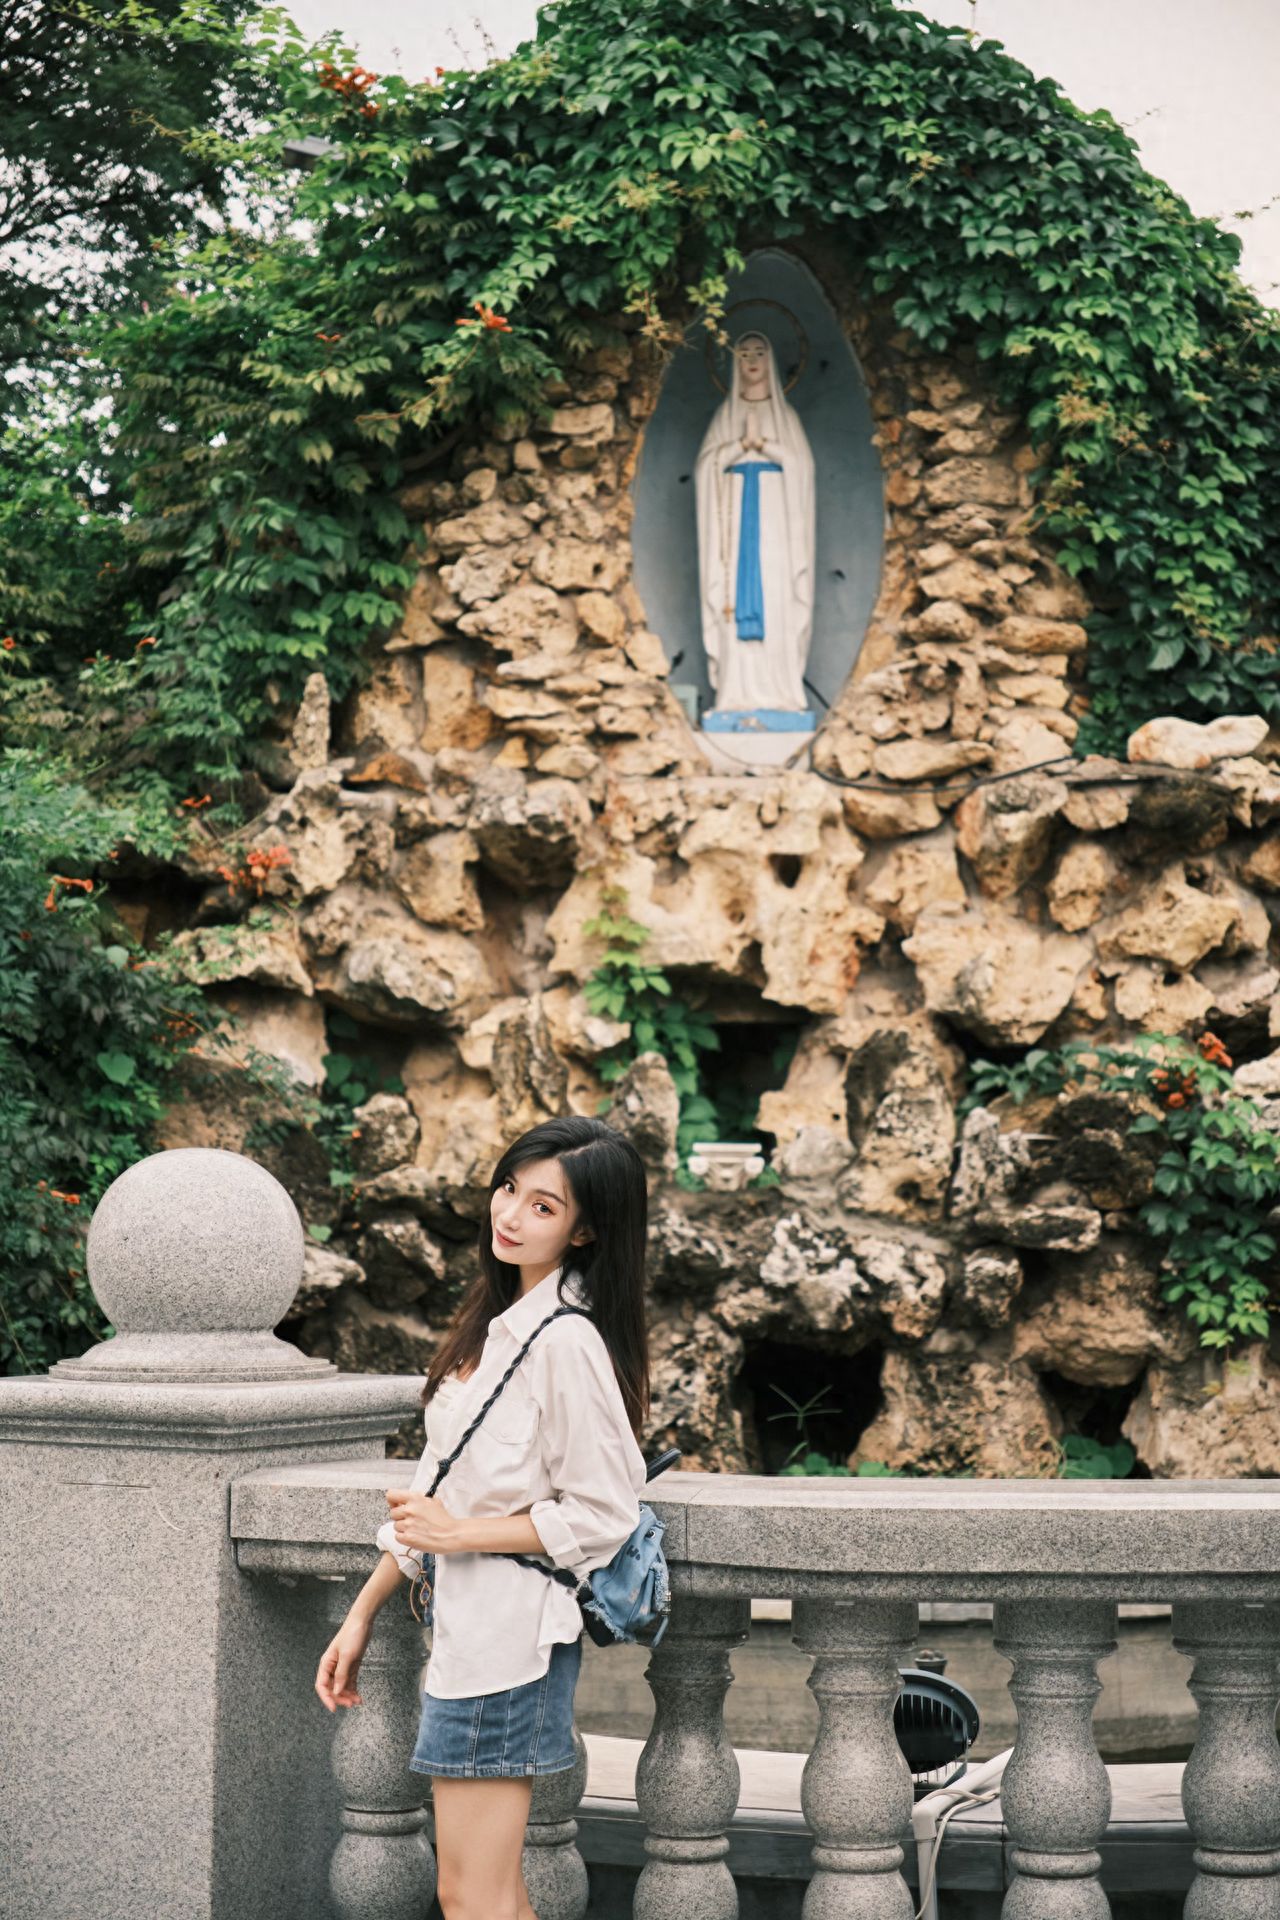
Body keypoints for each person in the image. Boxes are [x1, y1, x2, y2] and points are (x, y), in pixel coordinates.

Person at [314, 1114, 653, 1920]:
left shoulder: (565, 1342)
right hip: (467, 1639)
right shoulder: (497, 1327)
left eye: (543, 1207)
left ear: (585, 1231)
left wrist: (460, 1537)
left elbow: (604, 1511)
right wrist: (361, 1614)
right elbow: (435, 1494)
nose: (510, 1215)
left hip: (510, 1648)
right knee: (474, 1893)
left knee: (473, 1896)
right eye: (510, 1189)